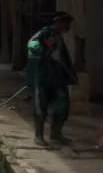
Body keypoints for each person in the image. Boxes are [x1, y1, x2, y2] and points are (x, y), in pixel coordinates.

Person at [25, 11, 77, 146]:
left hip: (58, 77)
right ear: (57, 21)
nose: (68, 25)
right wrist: (42, 51)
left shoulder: (58, 36)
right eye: (66, 22)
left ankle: (56, 133)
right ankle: (39, 136)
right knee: (40, 107)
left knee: (63, 106)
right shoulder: (44, 33)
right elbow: (31, 44)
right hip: (43, 77)